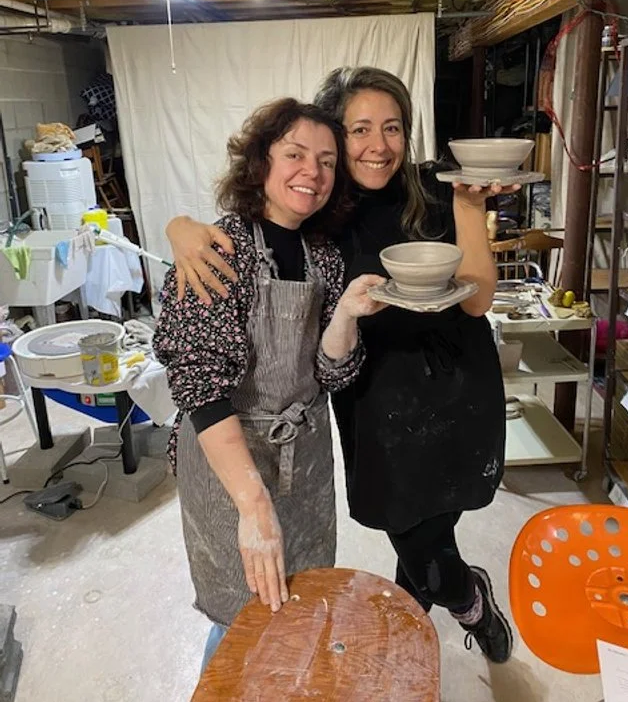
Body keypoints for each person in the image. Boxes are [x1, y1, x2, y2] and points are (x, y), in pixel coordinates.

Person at [164, 68, 517, 664]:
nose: (377, 145)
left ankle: (419, 632)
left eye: (392, 128)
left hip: (453, 394)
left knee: (417, 547)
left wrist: (468, 200)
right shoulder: (319, 216)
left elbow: (474, 300)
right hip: (370, 405)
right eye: (358, 130)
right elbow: (203, 366)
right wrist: (178, 228)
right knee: (258, 605)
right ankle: (466, 599)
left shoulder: (410, 198)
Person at [153, 97, 385, 671]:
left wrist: (346, 315)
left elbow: (331, 373)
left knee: (301, 597)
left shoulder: (323, 256)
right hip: (230, 463)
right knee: (241, 615)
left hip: (304, 457)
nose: (313, 172)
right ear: (261, 163)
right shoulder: (216, 250)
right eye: (295, 155)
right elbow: (200, 388)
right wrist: (253, 507)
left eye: (327, 162)